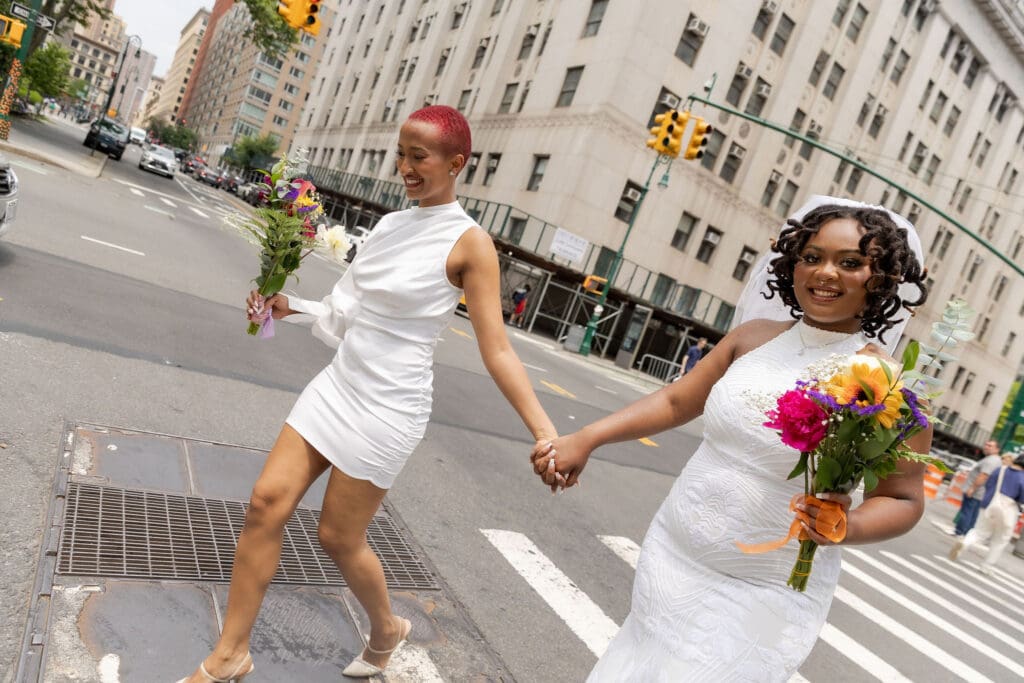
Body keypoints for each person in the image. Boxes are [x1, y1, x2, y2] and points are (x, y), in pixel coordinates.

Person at [178, 106, 558, 682]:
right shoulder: (389, 226)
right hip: (338, 386)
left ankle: (385, 627)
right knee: (265, 503)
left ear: (457, 164)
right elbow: (346, 308)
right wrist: (289, 305)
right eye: (400, 154)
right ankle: (231, 654)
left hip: (390, 407)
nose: (405, 168)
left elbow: (497, 348)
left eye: (419, 157)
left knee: (337, 535)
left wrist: (544, 430)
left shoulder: (470, 244)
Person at [532, 196, 931, 681]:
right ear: (791, 264)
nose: (825, 273)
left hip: (767, 586)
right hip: (674, 556)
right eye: (812, 257)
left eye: (849, 263)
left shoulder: (885, 384)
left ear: (881, 279)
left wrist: (847, 525)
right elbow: (677, 402)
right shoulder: (752, 338)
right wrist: (588, 437)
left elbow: (903, 498)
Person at [950, 453, 1024, 574]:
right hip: (1008, 511)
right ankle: (986, 566)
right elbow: (1022, 498)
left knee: (979, 531)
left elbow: (989, 484)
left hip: (989, 503)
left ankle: (964, 542)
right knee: (1000, 540)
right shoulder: (1022, 477)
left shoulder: (1000, 469)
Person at [953, 440, 1002, 537]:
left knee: (967, 512)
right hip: (980, 492)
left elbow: (984, 476)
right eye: (986, 444)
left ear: (997, 449)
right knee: (972, 514)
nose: (986, 447)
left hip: (977, 491)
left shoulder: (991, 460)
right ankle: (966, 532)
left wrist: (972, 488)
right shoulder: (993, 459)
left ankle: (960, 531)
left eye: (990, 446)